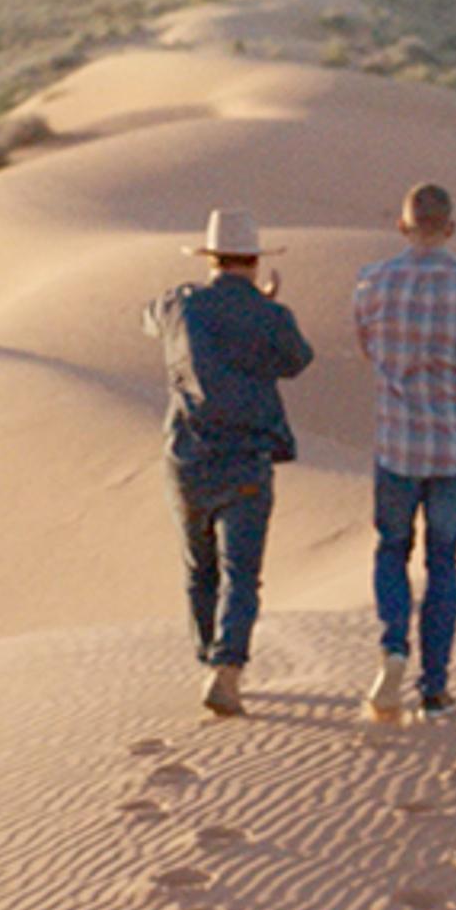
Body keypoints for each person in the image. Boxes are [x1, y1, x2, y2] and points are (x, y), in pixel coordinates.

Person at [351, 182, 456, 719]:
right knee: (443, 563)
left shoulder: (372, 284)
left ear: (402, 226)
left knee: (391, 551)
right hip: (452, 451)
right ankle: (434, 688)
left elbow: (367, 348)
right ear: (450, 228)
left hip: (396, 447)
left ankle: (394, 647)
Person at [145, 209, 314, 717]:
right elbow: (297, 360)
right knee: (241, 574)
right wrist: (264, 310)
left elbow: (147, 318)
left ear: (212, 259)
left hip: (187, 460)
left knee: (200, 570)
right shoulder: (270, 317)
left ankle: (207, 660)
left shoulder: (181, 303)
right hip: (244, 462)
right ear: (256, 263)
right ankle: (227, 668)